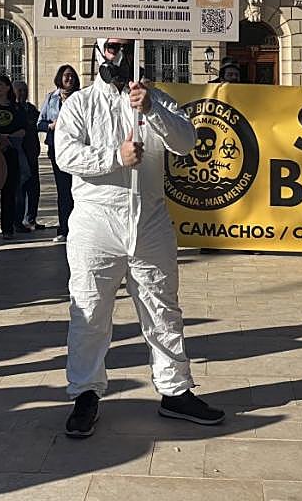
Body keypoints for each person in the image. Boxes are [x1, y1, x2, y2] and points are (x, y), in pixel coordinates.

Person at [54, 37, 223, 437]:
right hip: (96, 219)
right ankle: (85, 393)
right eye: (112, 47)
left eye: (127, 46)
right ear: (99, 50)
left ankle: (175, 390)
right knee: (90, 310)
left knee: (162, 307)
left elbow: (186, 143)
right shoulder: (80, 104)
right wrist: (113, 157)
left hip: (148, 219)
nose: (119, 54)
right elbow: (65, 154)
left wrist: (151, 109)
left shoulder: (156, 98)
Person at [38, 64, 80, 243]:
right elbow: (39, 123)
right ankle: (63, 228)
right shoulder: (51, 98)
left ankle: (79, 229)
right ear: (59, 78)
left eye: (71, 76)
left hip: (78, 149)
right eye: (66, 76)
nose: (69, 78)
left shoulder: (81, 97)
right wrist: (50, 126)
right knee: (63, 191)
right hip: (57, 150)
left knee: (78, 191)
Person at [0, 74, 27, 240]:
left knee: (9, 191)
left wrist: (8, 139)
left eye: (0, 84)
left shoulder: (16, 108)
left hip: (11, 151)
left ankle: (7, 228)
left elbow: (24, 129)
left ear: (7, 88)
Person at [13, 80, 41, 232]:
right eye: (19, 90)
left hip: (32, 153)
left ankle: (31, 219)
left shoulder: (31, 109)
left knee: (34, 189)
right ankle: (18, 221)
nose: (22, 93)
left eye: (24, 90)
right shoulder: (12, 109)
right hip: (18, 155)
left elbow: (39, 123)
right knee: (19, 190)